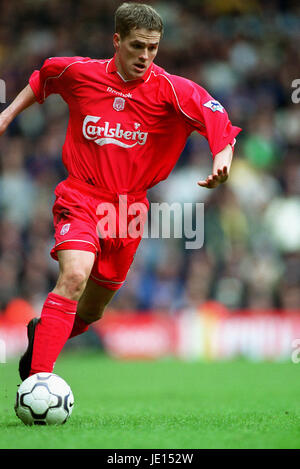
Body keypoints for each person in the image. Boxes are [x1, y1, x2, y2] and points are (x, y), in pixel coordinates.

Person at [0, 2, 241, 380]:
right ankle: (39, 380)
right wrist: (7, 114)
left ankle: (42, 332)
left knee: (92, 312)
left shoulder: (173, 91)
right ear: (117, 41)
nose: (145, 56)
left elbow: (219, 121)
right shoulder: (80, 73)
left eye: (153, 48)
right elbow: (42, 79)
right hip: (80, 196)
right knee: (75, 277)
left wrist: (221, 159)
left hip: (129, 211)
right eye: (137, 46)